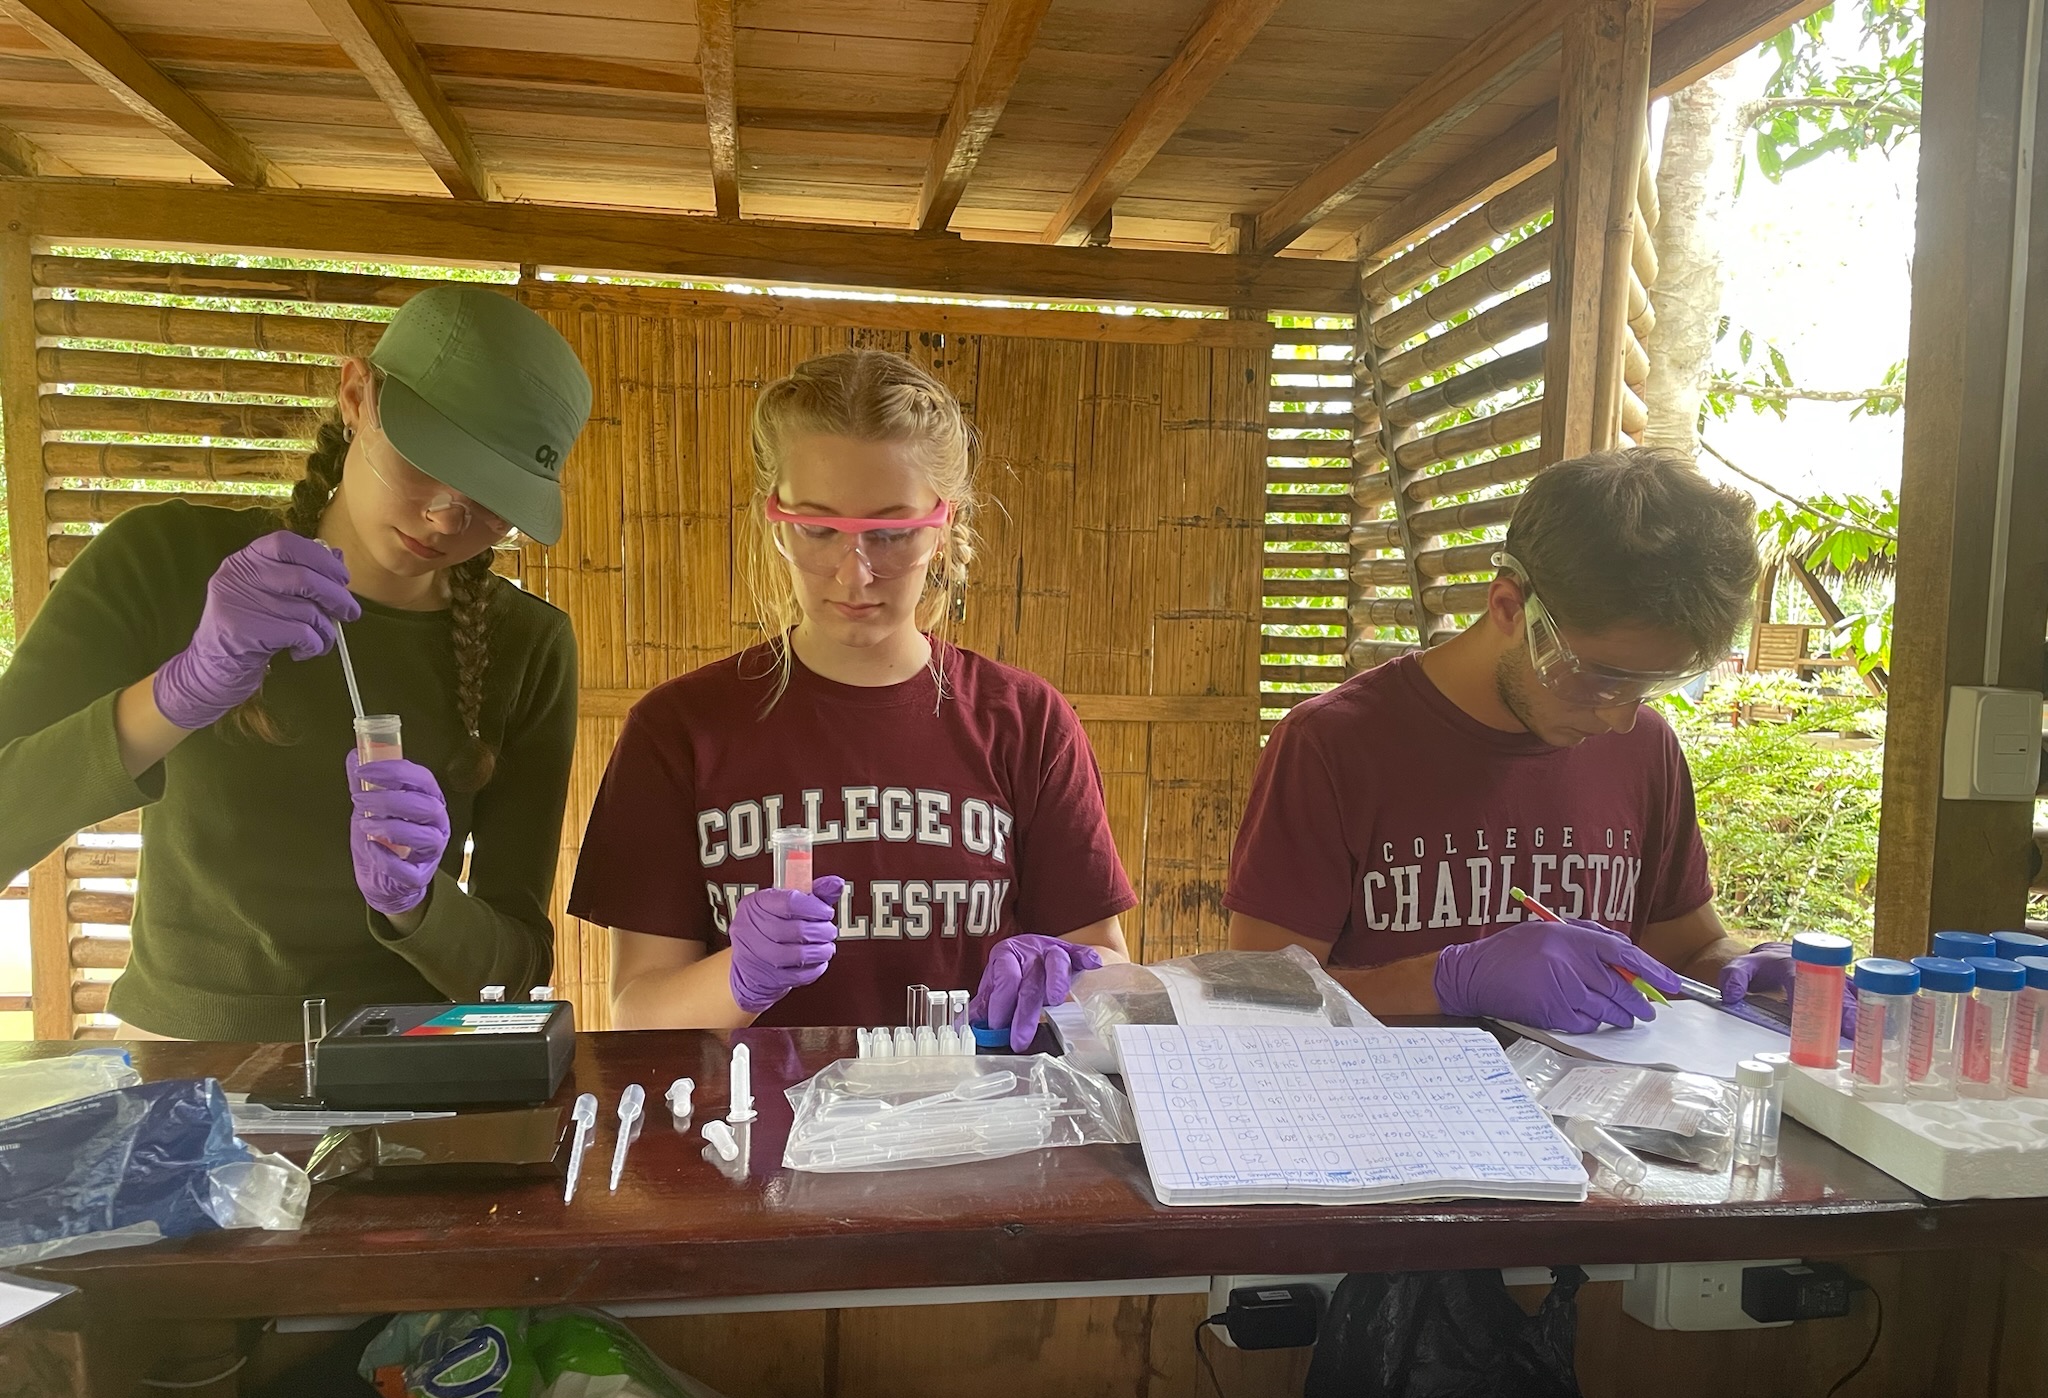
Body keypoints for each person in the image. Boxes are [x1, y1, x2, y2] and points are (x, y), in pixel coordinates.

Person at [0, 286, 590, 1041]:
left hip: (413, 1066)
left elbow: (513, 972)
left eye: (492, 499)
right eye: (429, 460)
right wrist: (178, 694)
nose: (448, 515)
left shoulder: (529, 646)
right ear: (356, 395)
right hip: (184, 1064)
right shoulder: (161, 563)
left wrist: (418, 905)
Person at [568, 349, 1134, 1044]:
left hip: (974, 1130)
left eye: (891, 533)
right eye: (817, 528)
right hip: (745, 1140)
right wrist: (738, 979)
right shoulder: (679, 729)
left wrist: (1071, 974)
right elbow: (638, 1010)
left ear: (944, 524)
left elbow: (1109, 967)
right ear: (775, 519)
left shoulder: (1027, 723)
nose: (854, 572)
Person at [1225, 448, 1791, 1033]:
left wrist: (1743, 969)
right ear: (1508, 606)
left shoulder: (1645, 748)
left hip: (1596, 1114)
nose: (1619, 719)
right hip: (1386, 1114)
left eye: (1651, 686)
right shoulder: (1332, 746)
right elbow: (1259, 996)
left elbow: (1685, 950)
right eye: (1601, 679)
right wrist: (1450, 980)